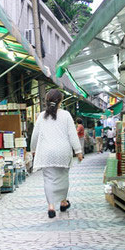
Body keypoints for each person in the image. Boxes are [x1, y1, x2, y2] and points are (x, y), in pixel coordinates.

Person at [31, 89, 83, 218]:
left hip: (46, 152)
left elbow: (35, 135)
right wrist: (78, 151)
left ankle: (51, 206)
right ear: (60, 101)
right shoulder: (66, 115)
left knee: (48, 179)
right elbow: (72, 134)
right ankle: (63, 202)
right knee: (63, 177)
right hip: (63, 152)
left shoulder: (41, 116)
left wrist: (33, 150)